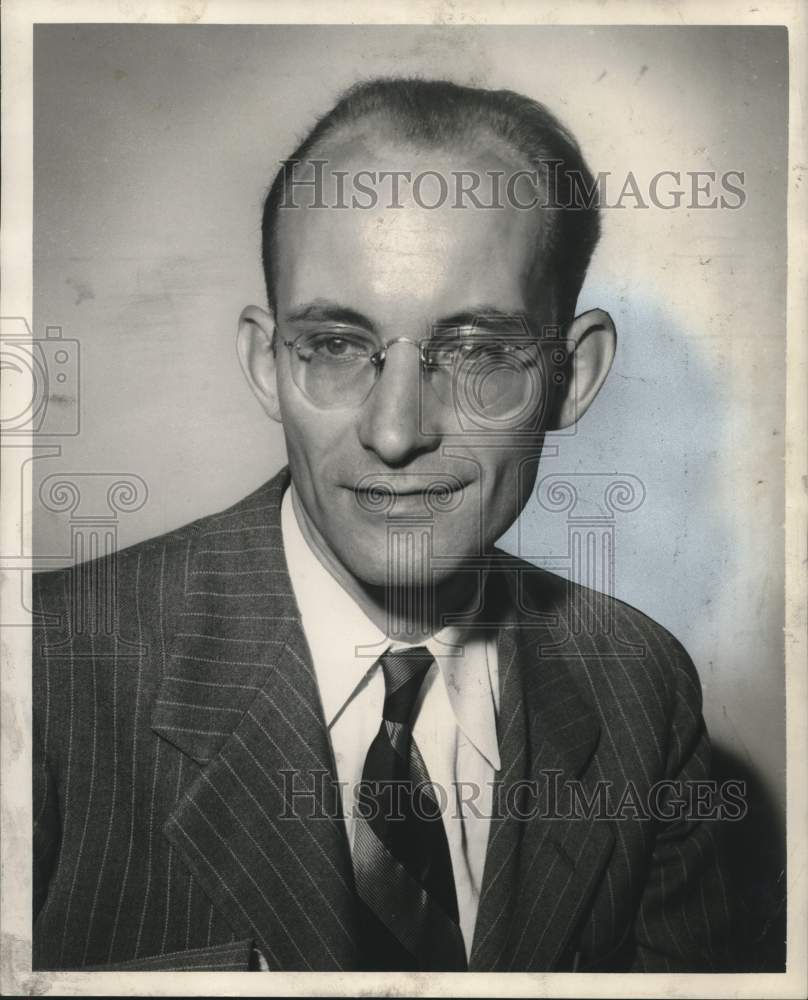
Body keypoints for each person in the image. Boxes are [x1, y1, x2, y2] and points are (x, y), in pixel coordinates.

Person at [32, 77, 733, 972]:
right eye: (335, 345)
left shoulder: (642, 685)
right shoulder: (41, 674)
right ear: (267, 364)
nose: (396, 433)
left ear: (574, 376)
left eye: (477, 352)